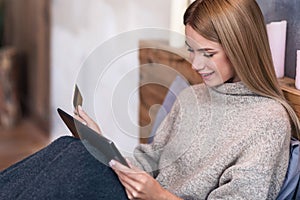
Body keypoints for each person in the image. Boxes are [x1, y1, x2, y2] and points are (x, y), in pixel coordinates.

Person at [1, 0, 299, 199]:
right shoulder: (192, 97)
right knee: (74, 148)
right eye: (190, 50)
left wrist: (159, 196)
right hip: (135, 194)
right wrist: (107, 149)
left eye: (207, 54)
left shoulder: (268, 120)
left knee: (76, 161)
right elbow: (149, 161)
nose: (195, 65)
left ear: (241, 48)